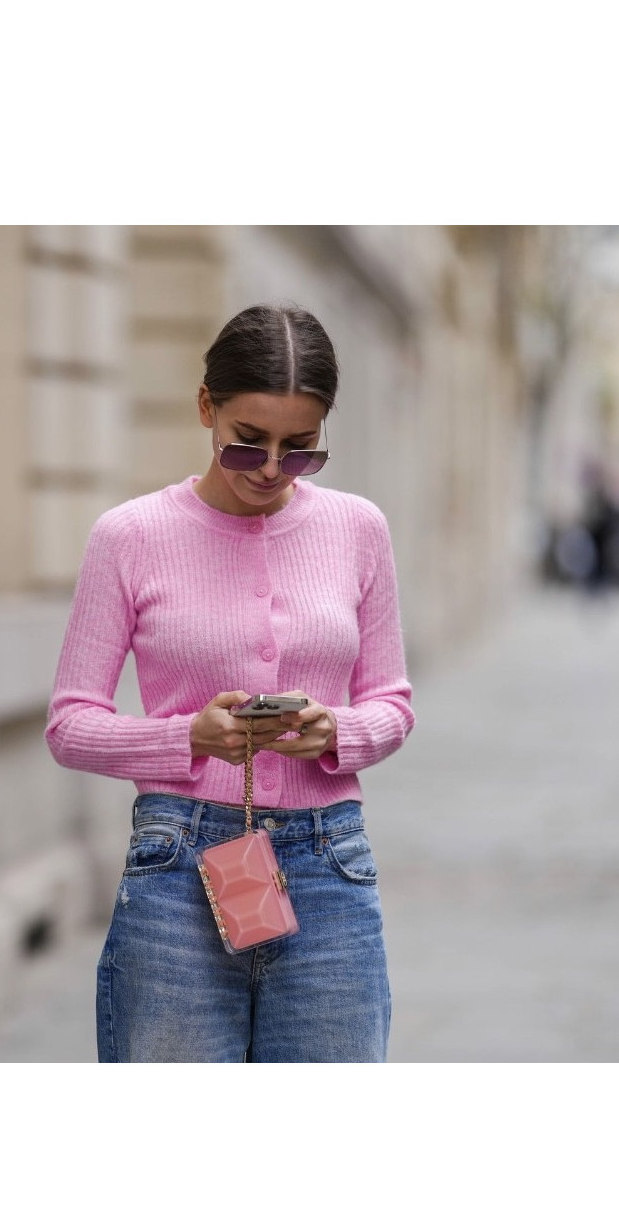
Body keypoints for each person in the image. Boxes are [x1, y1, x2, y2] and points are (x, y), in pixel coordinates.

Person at [45, 303, 415, 1062]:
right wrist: (186, 737)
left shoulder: (359, 529)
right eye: (248, 446)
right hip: (178, 862)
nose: (273, 469)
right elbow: (69, 723)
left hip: (330, 865)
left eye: (301, 449)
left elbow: (393, 703)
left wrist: (335, 730)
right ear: (207, 407)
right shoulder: (130, 536)